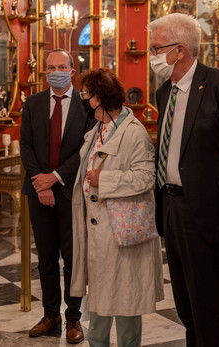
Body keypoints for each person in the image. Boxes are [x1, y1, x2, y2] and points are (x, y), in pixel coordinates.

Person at [148, 13, 219, 346]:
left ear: (179, 50)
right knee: (185, 303)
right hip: (171, 207)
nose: (152, 56)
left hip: (208, 211)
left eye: (156, 48)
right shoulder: (164, 91)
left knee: (208, 305)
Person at [70, 68, 164, 346]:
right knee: (99, 302)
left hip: (121, 233)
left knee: (126, 301)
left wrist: (105, 179)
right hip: (98, 231)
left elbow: (147, 177)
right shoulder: (99, 128)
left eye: (85, 94)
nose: (82, 99)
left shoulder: (133, 133)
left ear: (98, 98)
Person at [20, 49, 93, 344]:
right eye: (50, 67)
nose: (55, 71)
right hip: (39, 191)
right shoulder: (33, 103)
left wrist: (56, 178)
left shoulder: (86, 105)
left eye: (62, 66)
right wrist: (42, 184)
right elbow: (26, 146)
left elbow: (85, 148)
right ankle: (50, 315)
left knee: (73, 258)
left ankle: (73, 318)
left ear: (73, 71)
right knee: (46, 257)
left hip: (71, 190)